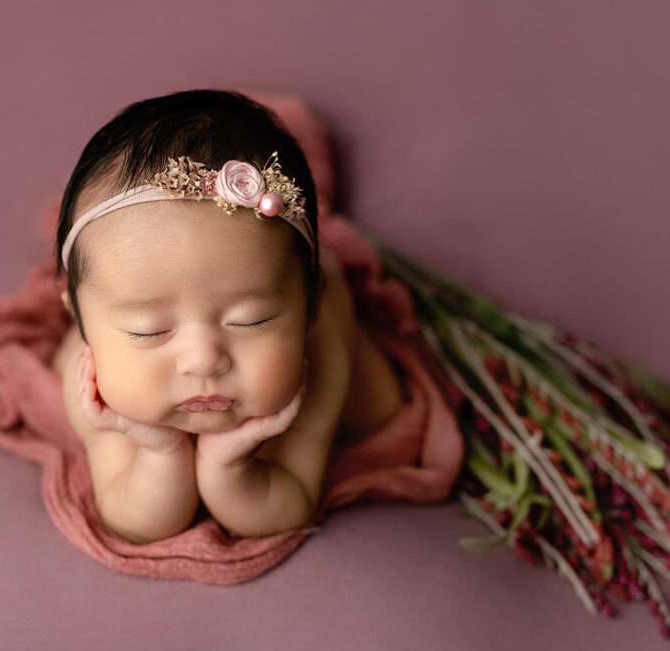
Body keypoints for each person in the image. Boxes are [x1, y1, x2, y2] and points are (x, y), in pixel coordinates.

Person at [47, 89, 406, 545]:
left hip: (322, 303)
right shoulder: (97, 388)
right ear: (82, 327)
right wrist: (161, 451)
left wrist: (227, 465)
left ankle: (324, 275)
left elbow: (286, 509)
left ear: (308, 307)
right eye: (149, 330)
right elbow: (134, 521)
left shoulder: (320, 364)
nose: (202, 360)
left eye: (251, 321)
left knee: (379, 406)